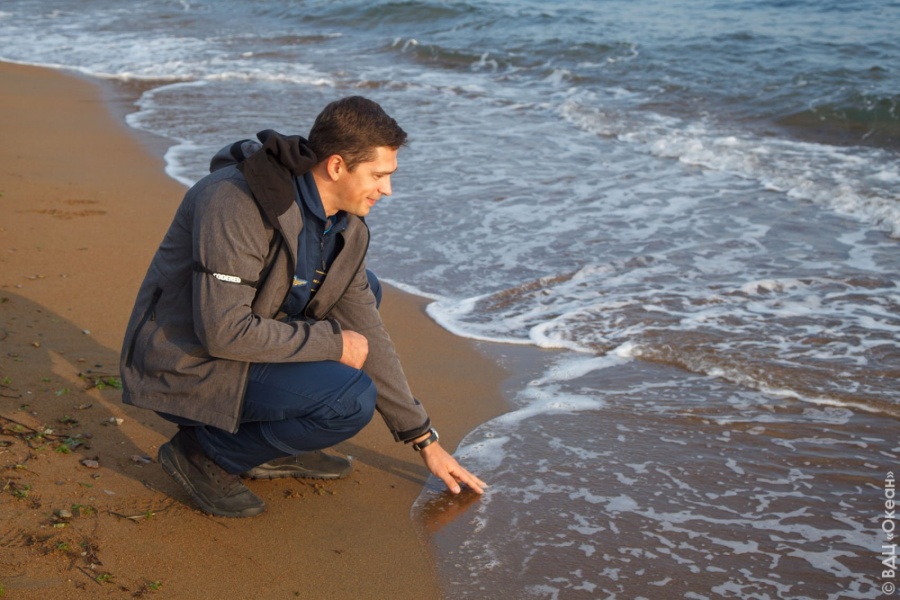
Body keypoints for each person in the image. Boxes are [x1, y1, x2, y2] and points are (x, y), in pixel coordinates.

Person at [119, 96, 486, 518]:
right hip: (185, 363)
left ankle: (270, 445)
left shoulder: (345, 226)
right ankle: (205, 453)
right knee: (349, 400)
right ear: (336, 166)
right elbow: (222, 331)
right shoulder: (236, 201)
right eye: (379, 175)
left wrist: (424, 439)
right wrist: (332, 344)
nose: (387, 189)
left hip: (244, 343)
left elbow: (369, 333)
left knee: (366, 291)